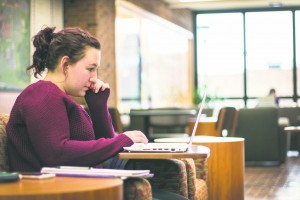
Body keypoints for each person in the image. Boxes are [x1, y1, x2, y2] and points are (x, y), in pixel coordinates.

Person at [6, 26, 187, 200]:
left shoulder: (59, 97)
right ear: (66, 64)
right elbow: (57, 153)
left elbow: (107, 148)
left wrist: (98, 106)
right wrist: (122, 139)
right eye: (90, 68)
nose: (94, 77)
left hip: (86, 182)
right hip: (56, 190)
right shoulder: (43, 94)